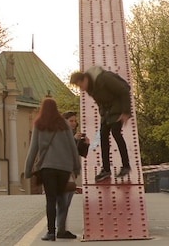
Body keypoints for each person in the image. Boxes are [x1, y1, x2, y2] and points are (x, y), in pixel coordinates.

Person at [25, 98, 81, 242]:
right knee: (62, 198)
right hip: (64, 168)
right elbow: (72, 147)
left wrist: (28, 170)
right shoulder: (64, 124)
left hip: (47, 168)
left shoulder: (39, 124)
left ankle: (51, 232)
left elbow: (33, 150)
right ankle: (61, 228)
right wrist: (76, 167)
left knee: (50, 200)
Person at [69, 66, 132, 182]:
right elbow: (101, 103)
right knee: (103, 136)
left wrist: (125, 112)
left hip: (118, 109)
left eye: (79, 85)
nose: (81, 89)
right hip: (107, 113)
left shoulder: (104, 78)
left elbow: (123, 91)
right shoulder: (91, 88)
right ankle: (106, 169)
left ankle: (126, 166)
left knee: (116, 133)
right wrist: (103, 116)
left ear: (84, 80)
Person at [55, 111, 90, 240]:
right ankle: (60, 229)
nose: (74, 123)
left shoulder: (71, 135)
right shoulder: (60, 135)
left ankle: (61, 228)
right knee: (63, 201)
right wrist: (74, 140)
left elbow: (79, 154)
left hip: (70, 173)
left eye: (75, 121)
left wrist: (85, 144)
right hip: (62, 173)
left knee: (66, 201)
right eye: (71, 121)